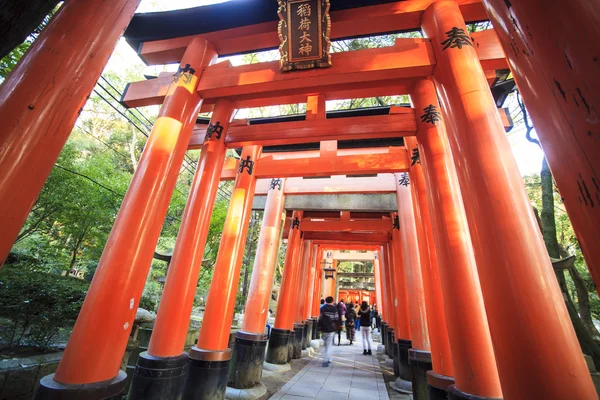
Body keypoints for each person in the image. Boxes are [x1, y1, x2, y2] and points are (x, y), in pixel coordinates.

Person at [318, 296, 340, 367]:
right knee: (329, 343)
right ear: (332, 301)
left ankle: (327, 357)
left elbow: (320, 317)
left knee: (326, 343)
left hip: (324, 328)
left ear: (326, 301)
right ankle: (328, 358)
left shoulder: (323, 308)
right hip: (331, 328)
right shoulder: (334, 308)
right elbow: (336, 318)